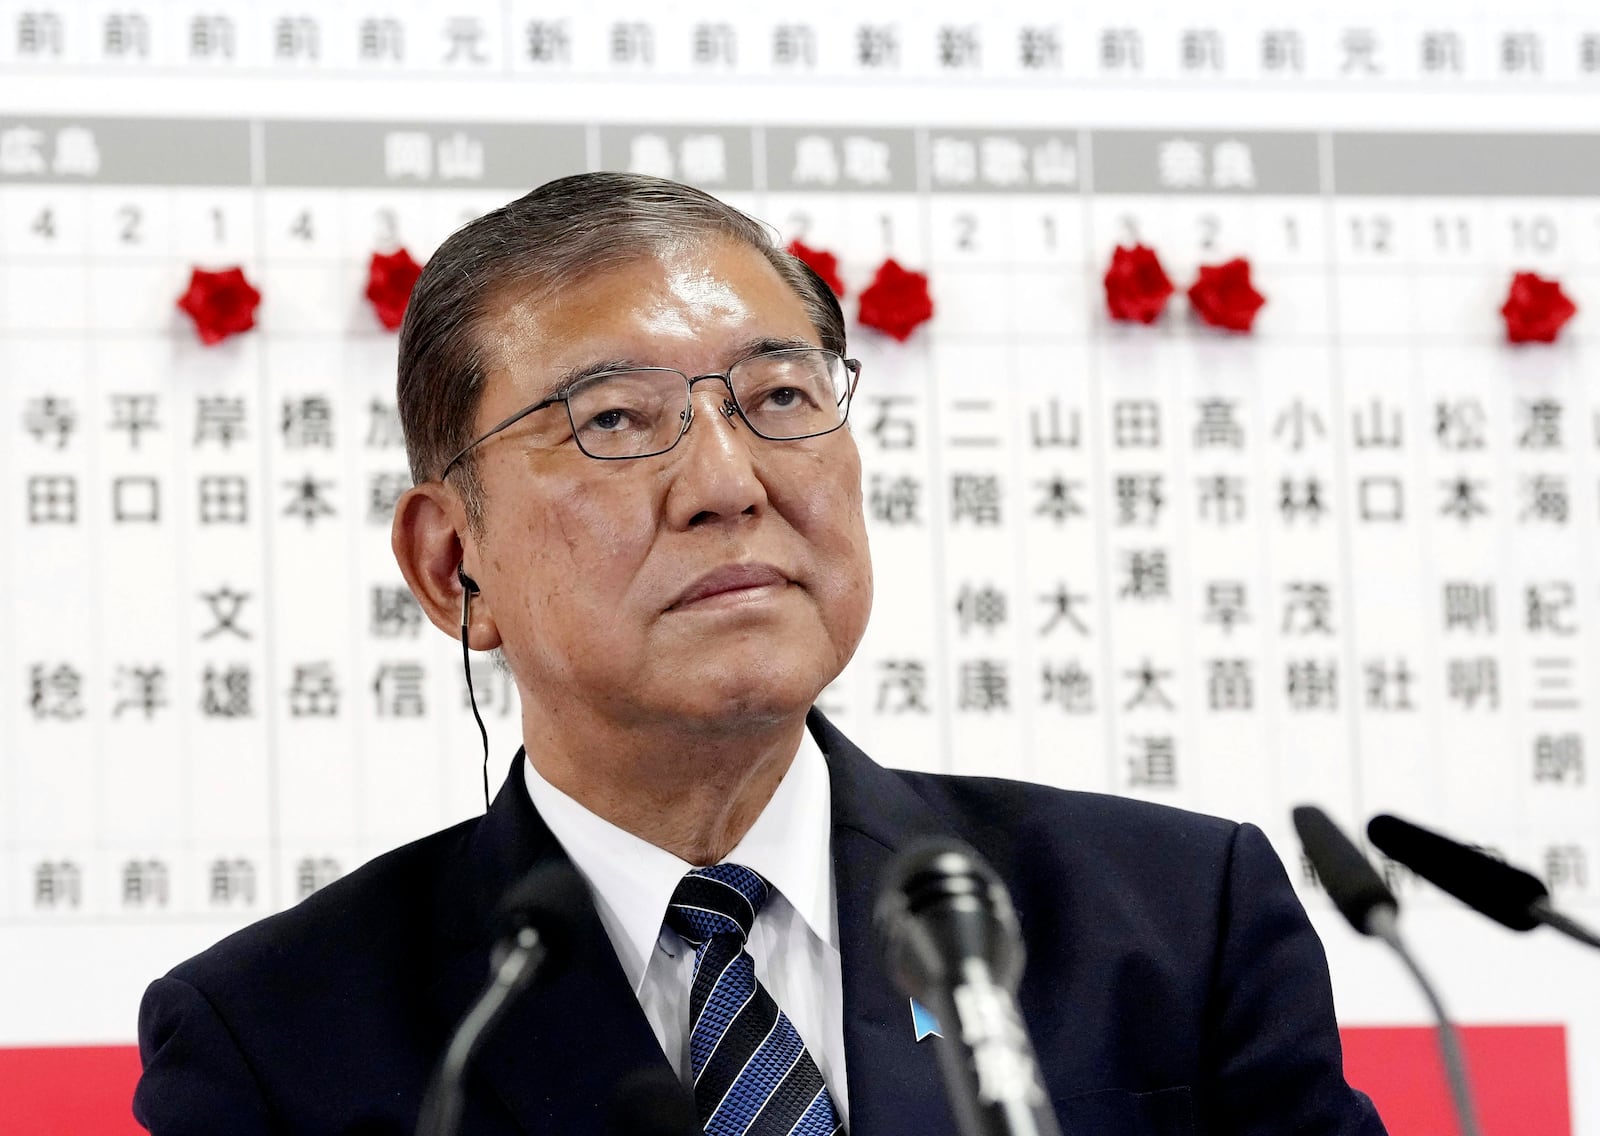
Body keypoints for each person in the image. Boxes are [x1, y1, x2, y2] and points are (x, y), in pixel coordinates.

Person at [134, 173, 1386, 1136]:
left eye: (780, 396)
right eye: (615, 418)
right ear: (452, 562)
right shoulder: (278, 1039)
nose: (727, 483)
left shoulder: (1168, 919)